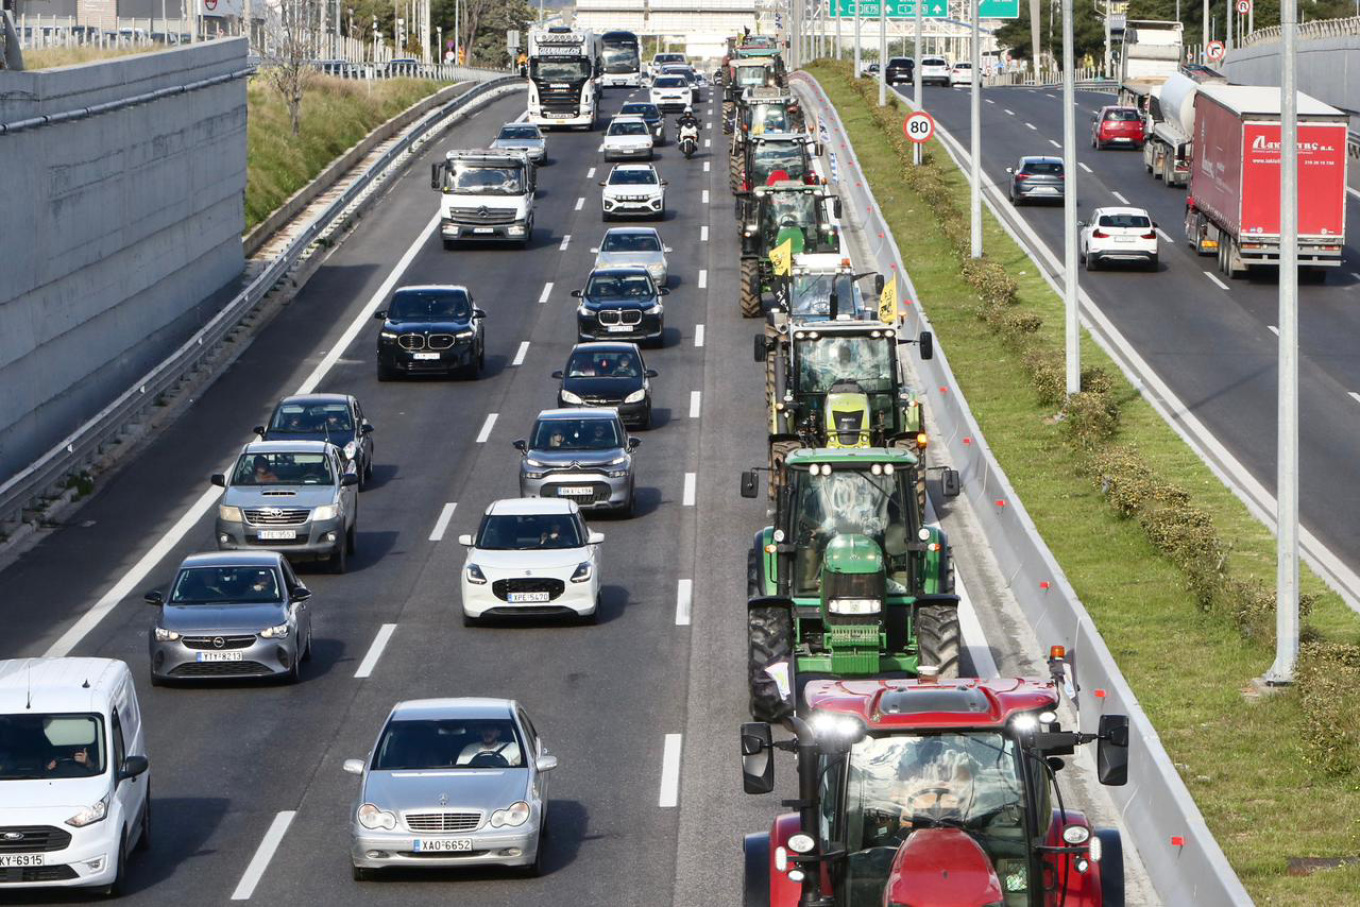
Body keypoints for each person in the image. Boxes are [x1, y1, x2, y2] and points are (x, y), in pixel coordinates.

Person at [456, 723, 521, 768]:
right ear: (480, 732)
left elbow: (520, 770)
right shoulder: (469, 750)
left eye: (491, 729)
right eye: (484, 729)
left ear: (498, 733)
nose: (487, 732)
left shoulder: (511, 748)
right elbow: (460, 771)